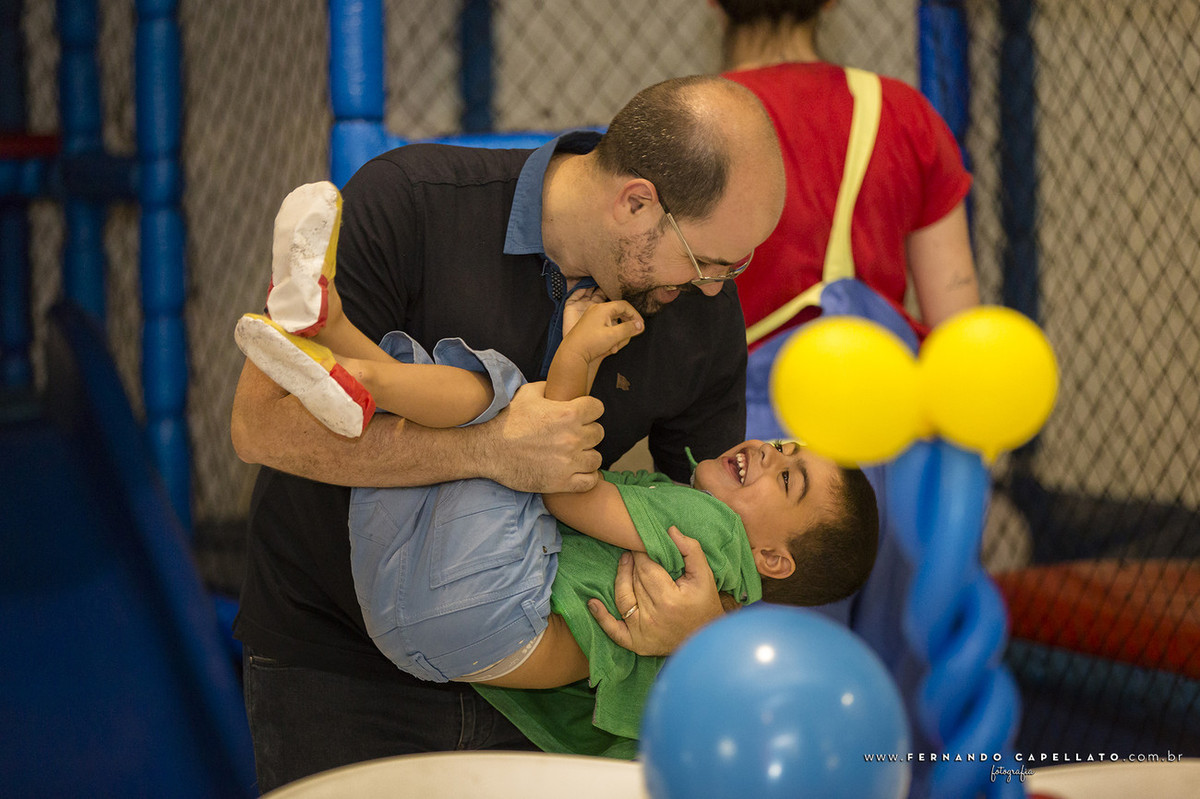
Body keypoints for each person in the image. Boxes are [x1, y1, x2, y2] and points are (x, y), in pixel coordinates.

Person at [230, 74, 786, 792]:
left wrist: (705, 627)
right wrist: (487, 451)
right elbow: (259, 423)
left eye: (733, 267)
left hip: (537, 687)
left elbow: (719, 526)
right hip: (340, 664)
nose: (716, 286)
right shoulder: (412, 201)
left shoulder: (700, 314)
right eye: (709, 259)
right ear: (637, 202)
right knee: (480, 395)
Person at [234, 191, 878, 754]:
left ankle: (348, 354)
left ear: (771, 559)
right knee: (493, 439)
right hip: (427, 629)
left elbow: (565, 490)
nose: (770, 452)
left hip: (482, 603)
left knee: (510, 406)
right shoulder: (706, 603)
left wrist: (577, 353)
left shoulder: (711, 535)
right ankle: (340, 347)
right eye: (786, 446)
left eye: (788, 479)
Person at [713, 0, 980, 349]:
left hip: (735, 399)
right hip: (877, 392)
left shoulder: (681, 122)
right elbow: (957, 331)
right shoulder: (904, 114)